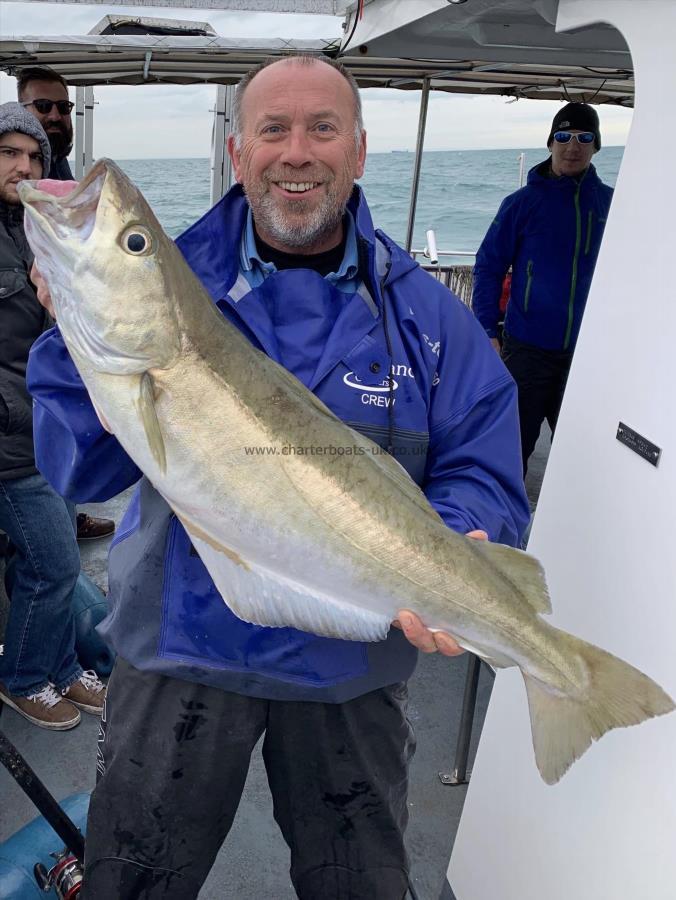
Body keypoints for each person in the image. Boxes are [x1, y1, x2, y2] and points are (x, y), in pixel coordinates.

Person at [28, 56, 529, 899]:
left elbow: (483, 464)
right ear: (238, 149)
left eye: (322, 129)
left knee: (359, 884)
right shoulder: (171, 284)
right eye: (273, 130)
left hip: (351, 664)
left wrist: (462, 536)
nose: (297, 151)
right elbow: (78, 465)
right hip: (181, 646)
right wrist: (77, 336)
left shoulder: (431, 320)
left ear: (360, 151)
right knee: (133, 880)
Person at [0, 102, 106, 729]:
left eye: (34, 156)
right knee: (53, 564)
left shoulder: (36, 226)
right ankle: (23, 677)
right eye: (10, 153)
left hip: (50, 431)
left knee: (54, 555)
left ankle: (63, 667)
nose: (24, 167)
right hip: (12, 440)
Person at [472, 102, 614, 474]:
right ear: (551, 142)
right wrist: (487, 329)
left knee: (585, 457)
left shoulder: (612, 204)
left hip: (589, 355)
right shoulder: (522, 204)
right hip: (527, 351)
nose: (573, 146)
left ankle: (578, 527)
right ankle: (505, 528)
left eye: (585, 138)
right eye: (564, 137)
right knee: (510, 451)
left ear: (596, 146)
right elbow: (488, 267)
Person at [17, 65, 115, 542]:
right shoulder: (22, 198)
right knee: (50, 563)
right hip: (20, 393)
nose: (57, 116)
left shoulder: (65, 185)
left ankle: (68, 519)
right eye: (43, 107)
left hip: (62, 372)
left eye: (64, 108)